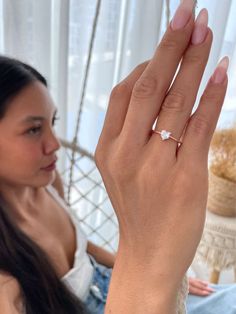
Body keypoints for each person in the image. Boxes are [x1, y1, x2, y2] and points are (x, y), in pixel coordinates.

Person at [0, 0, 229, 313]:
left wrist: (138, 261)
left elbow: (84, 250)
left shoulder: (49, 182)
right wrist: (148, 269)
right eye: (33, 130)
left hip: (119, 281)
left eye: (52, 123)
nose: (54, 144)